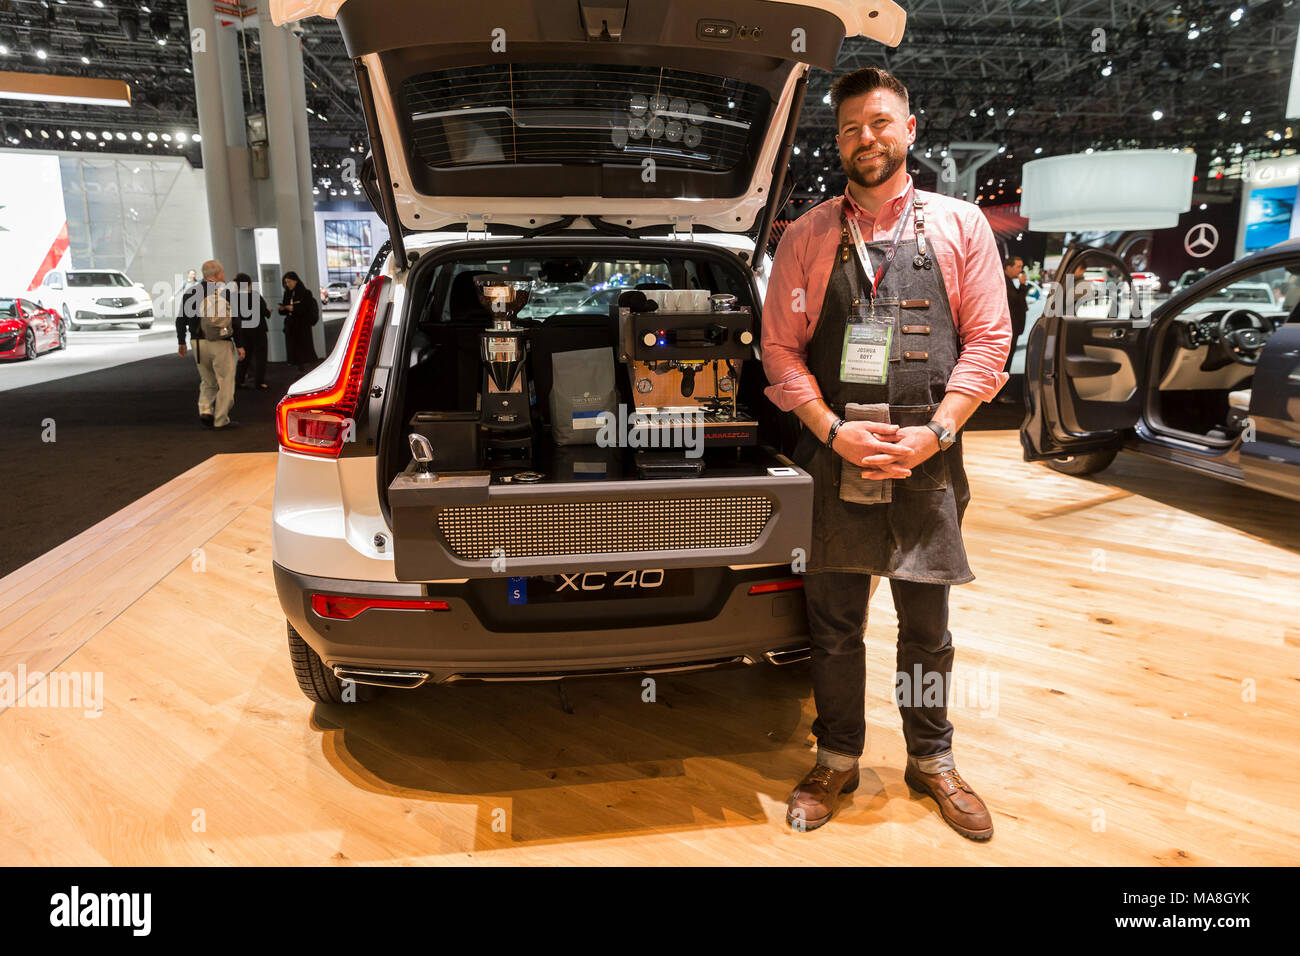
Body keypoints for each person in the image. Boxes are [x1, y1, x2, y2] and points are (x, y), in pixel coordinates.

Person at [762, 67, 1011, 837]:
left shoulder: (959, 225)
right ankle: (836, 757)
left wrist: (935, 430)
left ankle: (931, 759)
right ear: (837, 143)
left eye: (878, 123)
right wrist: (833, 430)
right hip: (834, 456)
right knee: (834, 626)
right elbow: (780, 352)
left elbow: (989, 343)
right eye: (848, 129)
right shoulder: (805, 234)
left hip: (928, 458)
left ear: (910, 129)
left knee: (926, 632)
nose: (864, 139)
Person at [176, 259, 244, 429]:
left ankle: (205, 409)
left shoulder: (191, 293)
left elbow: (180, 320)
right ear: (218, 274)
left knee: (207, 380)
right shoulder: (225, 293)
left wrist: (181, 342)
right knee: (225, 381)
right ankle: (221, 419)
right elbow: (235, 321)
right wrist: (240, 344)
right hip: (220, 342)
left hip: (198, 343)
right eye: (222, 272)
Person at [997, 255, 1028, 403]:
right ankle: (999, 394)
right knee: (1005, 363)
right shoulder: (1003, 281)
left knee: (1006, 362)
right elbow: (1016, 300)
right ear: (1008, 267)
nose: (1020, 270)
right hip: (1008, 329)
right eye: (1018, 267)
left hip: (1012, 329)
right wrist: (1022, 286)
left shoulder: (1008, 281)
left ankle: (999, 394)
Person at [231, 273, 271, 389]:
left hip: (242, 330)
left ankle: (239, 380)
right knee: (260, 356)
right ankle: (259, 382)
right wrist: (269, 312)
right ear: (249, 284)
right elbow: (265, 312)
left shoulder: (234, 297)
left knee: (244, 357)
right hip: (258, 330)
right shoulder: (255, 296)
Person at [279, 270, 320, 373]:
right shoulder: (287, 293)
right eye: (286, 282)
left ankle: (309, 369)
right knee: (293, 349)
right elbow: (285, 310)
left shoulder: (306, 293)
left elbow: (306, 308)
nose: (287, 284)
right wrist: (283, 309)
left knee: (305, 348)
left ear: (295, 281)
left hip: (302, 326)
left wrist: (294, 308)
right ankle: (299, 368)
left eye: (289, 282)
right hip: (291, 326)